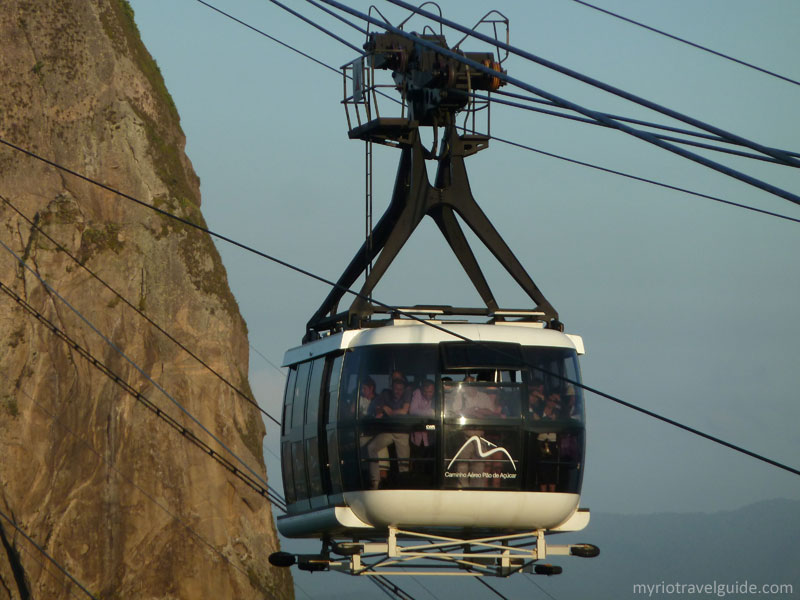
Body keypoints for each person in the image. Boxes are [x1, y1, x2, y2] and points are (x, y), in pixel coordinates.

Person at [365, 375, 411, 489]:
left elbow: (404, 411)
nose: (398, 392)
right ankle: (375, 481)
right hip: (389, 431)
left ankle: (404, 486)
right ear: (391, 388)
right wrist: (382, 408)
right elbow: (377, 407)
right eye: (396, 389)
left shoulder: (408, 394)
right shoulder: (385, 394)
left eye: (400, 389)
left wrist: (389, 411)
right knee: (371, 447)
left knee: (403, 463)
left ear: (404, 389)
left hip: (402, 432)